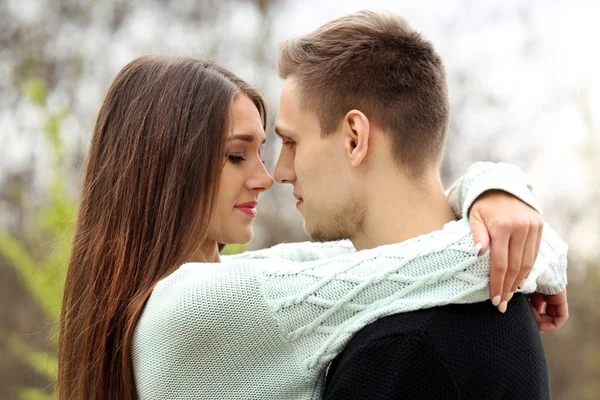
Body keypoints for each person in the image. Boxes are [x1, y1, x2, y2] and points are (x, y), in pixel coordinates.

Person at [57, 56, 565, 400]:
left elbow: (379, 255)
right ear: (166, 165)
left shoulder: (229, 285)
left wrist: (493, 194)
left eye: (267, 149)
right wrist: (505, 203)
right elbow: (431, 266)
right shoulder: (184, 311)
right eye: (238, 155)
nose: (265, 175)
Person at [271, 11, 567, 399]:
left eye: (291, 142)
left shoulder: (400, 348)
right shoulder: (489, 301)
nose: (281, 170)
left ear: (354, 139)